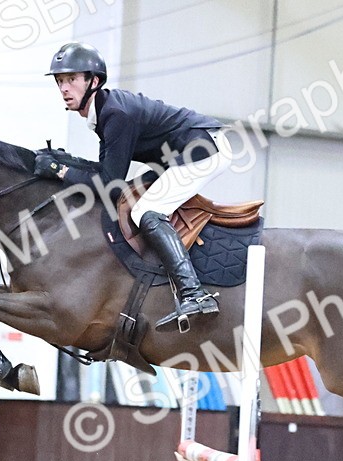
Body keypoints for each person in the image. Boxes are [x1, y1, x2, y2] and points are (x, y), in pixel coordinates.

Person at [36, 42, 235, 331]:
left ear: (93, 81)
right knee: (135, 200)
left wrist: (59, 170)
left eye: (71, 79)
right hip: (178, 154)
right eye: (60, 81)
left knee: (147, 211)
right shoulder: (105, 112)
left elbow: (109, 185)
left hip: (203, 149)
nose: (64, 88)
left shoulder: (115, 114)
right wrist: (66, 164)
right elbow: (109, 173)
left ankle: (194, 294)